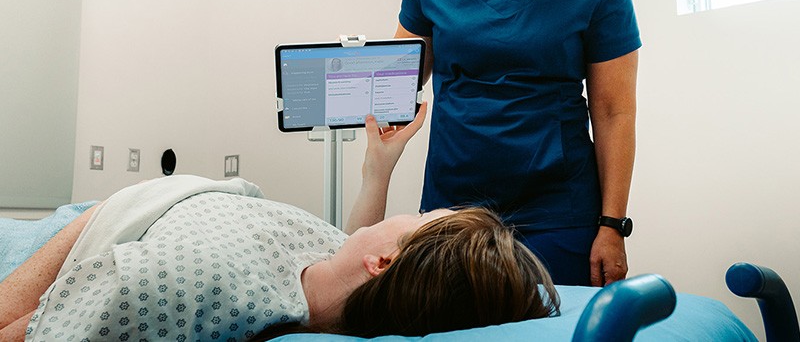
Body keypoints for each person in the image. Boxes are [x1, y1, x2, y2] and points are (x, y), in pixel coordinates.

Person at [0, 103, 559, 342]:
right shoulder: (340, 275)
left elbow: (28, 326)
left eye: (416, 216)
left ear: (383, 261)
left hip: (54, 242)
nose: (402, 215)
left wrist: (97, 217)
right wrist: (378, 169)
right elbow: (354, 241)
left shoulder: (186, 285)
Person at [394, 0, 641, 287]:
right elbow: (397, 84)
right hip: (452, 209)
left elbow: (613, 112)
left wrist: (612, 225)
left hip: (557, 213)